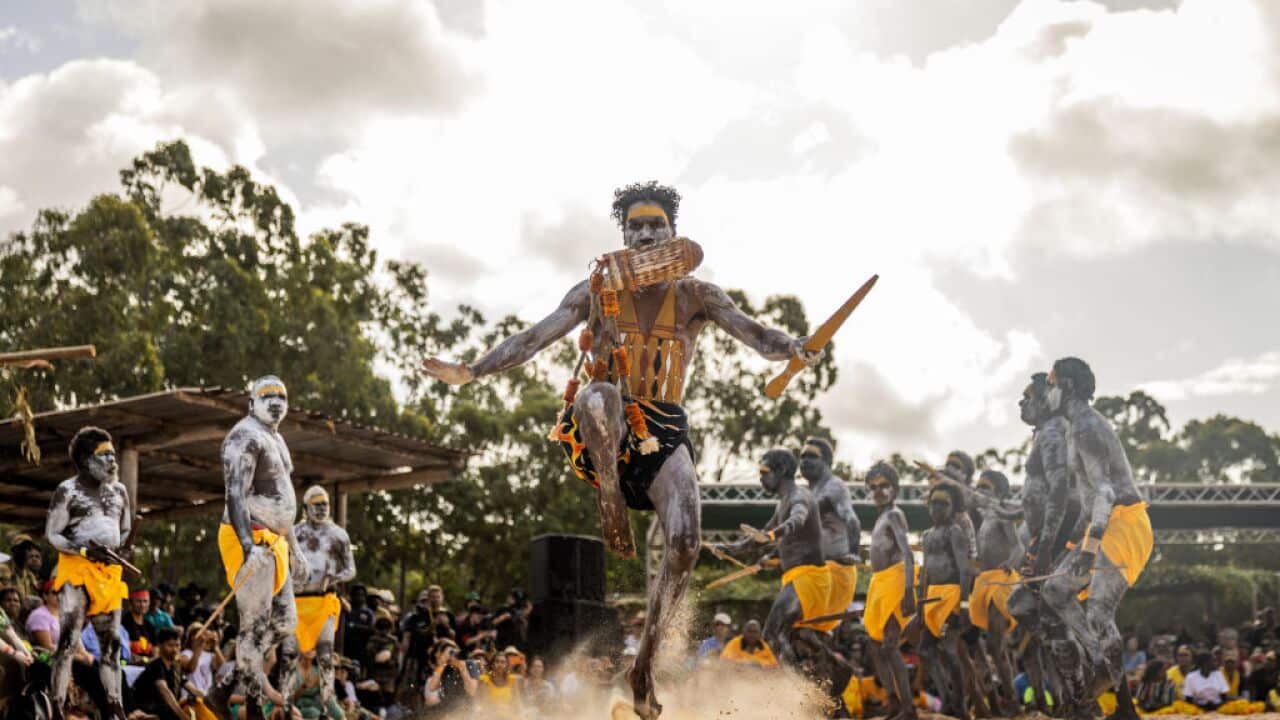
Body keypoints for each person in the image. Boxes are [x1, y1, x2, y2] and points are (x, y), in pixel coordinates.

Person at [421, 181, 821, 719]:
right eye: (637, 226)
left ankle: (644, 669)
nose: (648, 233)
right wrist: (472, 371)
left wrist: (793, 348)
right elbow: (535, 338)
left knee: (683, 543)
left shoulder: (699, 296)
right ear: (624, 235)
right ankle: (610, 494)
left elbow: (757, 335)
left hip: (665, 432)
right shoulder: (596, 290)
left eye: (657, 225)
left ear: (673, 234)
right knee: (599, 394)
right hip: (606, 432)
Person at [1041, 357, 1154, 720]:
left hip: (1123, 524)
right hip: (1103, 524)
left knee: (1100, 611)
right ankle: (1100, 665)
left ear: (1069, 386)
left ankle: (1114, 701)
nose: (1048, 390)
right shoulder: (1076, 427)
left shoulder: (1087, 427)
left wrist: (1089, 548)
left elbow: (1105, 491)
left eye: (1052, 382)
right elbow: (1092, 502)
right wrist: (1073, 545)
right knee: (1054, 590)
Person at [209, 375, 308, 719]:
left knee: (286, 622)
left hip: (276, 541)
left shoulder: (276, 437)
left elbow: (284, 499)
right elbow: (234, 494)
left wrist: (295, 548)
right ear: (251, 403)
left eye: (281, 395)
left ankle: (228, 684)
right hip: (250, 537)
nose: (276, 401)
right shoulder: (243, 437)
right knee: (254, 625)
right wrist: (248, 545)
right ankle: (253, 708)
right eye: (267, 396)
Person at [43, 426, 134, 719]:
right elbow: (53, 535)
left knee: (112, 647)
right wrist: (83, 551)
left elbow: (126, 528)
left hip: (109, 573)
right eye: (104, 455)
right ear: (84, 460)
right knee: (68, 642)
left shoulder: (119, 491)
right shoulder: (67, 491)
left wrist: (121, 550)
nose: (112, 461)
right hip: (77, 570)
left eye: (113, 455)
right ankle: (56, 707)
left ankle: (115, 706)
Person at [861, 461, 917, 720]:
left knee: (889, 646)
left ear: (894, 489)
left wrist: (908, 591)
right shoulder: (881, 518)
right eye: (873, 487)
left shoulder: (894, 514)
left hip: (896, 582)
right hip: (879, 583)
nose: (878, 491)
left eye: (884, 486)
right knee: (875, 645)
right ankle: (893, 702)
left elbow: (907, 554)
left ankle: (908, 708)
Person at [294, 485, 356, 707]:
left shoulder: (338, 534)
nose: (321, 509)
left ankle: (327, 701)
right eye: (316, 504)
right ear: (306, 507)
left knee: (325, 653)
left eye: (325, 504)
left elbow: (351, 570)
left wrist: (333, 577)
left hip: (324, 601)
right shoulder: (294, 533)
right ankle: (290, 701)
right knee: (293, 653)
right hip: (298, 601)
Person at [133, 626, 189, 720]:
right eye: (170, 645)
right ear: (160, 645)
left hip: (163, 710)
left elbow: (190, 687)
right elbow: (165, 692)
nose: (175, 650)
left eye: (177, 645)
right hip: (147, 709)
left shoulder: (176, 667)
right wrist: (183, 716)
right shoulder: (156, 666)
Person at [180, 623, 223, 720]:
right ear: (192, 637)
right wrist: (198, 648)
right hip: (192, 700)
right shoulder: (185, 654)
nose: (205, 638)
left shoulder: (209, 655)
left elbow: (223, 670)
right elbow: (190, 669)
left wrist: (216, 648)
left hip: (208, 699)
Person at [424, 638, 477, 715]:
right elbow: (432, 687)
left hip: (466, 711)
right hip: (448, 712)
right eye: (450, 653)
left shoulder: (469, 664)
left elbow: (472, 691)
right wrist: (442, 663)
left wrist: (463, 669)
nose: (453, 655)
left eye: (454, 652)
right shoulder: (444, 668)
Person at [477, 650, 522, 716]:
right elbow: (484, 704)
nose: (500, 664)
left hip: (509, 716)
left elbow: (518, 704)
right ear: (492, 665)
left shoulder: (512, 680)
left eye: (503, 662)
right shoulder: (485, 680)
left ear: (507, 665)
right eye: (497, 661)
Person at [342, 584, 375, 668]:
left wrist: (354, 626)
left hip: (362, 648)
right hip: (346, 647)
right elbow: (345, 626)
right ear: (352, 595)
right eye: (356, 594)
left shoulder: (368, 612)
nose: (359, 597)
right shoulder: (346, 610)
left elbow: (371, 629)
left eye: (362, 595)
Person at [122, 589, 157, 663]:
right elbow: (124, 651)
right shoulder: (124, 623)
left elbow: (156, 651)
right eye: (138, 601)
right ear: (131, 603)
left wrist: (147, 660)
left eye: (145, 601)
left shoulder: (150, 626)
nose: (142, 605)